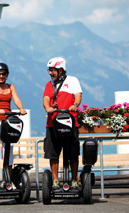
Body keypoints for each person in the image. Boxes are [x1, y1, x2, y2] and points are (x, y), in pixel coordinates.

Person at [43, 57, 82, 190]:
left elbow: (78, 96)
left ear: (60, 70)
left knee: (73, 153)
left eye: (52, 70)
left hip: (70, 123)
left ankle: (74, 179)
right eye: (49, 70)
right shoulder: (49, 85)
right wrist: (47, 108)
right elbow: (46, 99)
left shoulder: (72, 80)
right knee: (53, 153)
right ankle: (55, 180)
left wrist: (75, 105)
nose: (50, 73)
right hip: (52, 124)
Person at [0, 62, 27, 190]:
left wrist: (21, 108)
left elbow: (16, 99)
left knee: (8, 151)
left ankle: (8, 180)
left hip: (7, 121)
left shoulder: (11, 87)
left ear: (7, 74)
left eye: (3, 74)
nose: (1, 76)